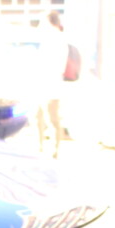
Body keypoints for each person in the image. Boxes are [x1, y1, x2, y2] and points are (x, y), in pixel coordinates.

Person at [34, 10, 70, 157]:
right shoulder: (52, 38)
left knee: (51, 118)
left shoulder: (56, 39)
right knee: (40, 116)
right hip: (45, 84)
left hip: (50, 85)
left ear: (49, 21)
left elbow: (53, 65)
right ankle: (42, 147)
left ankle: (53, 149)